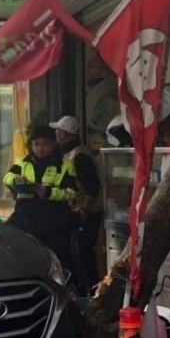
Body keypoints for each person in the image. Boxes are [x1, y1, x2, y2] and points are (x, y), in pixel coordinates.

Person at [3, 125, 79, 273]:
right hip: (26, 217)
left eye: (44, 144)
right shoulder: (24, 163)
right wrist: (16, 179)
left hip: (54, 220)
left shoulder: (65, 165)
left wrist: (48, 192)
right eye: (36, 144)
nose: (40, 148)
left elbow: (72, 192)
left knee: (58, 261)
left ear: (53, 143)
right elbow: (7, 177)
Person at [52, 116, 103, 295]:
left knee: (82, 253)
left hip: (86, 212)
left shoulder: (80, 155)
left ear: (65, 134)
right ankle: (81, 291)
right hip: (75, 211)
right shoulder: (68, 153)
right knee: (74, 253)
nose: (56, 133)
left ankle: (93, 292)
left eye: (58, 130)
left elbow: (93, 186)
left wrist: (84, 211)